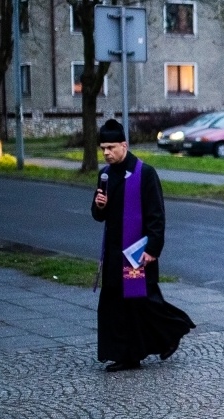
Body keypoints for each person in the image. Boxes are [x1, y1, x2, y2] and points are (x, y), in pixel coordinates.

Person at [91, 119, 195, 372]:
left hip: (136, 252)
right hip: (114, 252)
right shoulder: (104, 174)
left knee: (142, 302)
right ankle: (125, 355)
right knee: (115, 305)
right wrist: (99, 206)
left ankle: (173, 330)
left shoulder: (144, 173)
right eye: (103, 148)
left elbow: (156, 216)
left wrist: (152, 250)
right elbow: (98, 214)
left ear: (124, 145)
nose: (106, 152)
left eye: (111, 147)